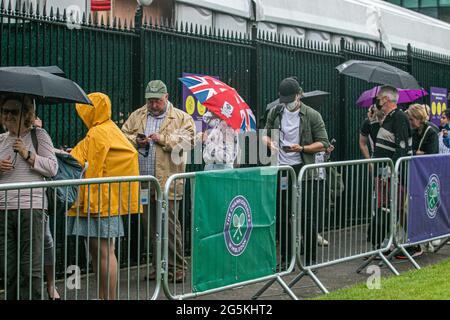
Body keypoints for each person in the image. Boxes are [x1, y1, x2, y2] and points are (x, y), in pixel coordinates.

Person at [67, 92, 140, 300]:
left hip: (100, 201)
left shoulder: (97, 133)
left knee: (104, 251)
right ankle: (104, 296)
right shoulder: (110, 130)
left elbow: (87, 162)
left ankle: (109, 297)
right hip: (108, 199)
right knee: (102, 251)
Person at [122, 80, 195, 282]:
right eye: (150, 101)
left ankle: (177, 267)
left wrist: (161, 139)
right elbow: (122, 135)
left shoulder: (182, 118)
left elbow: (188, 142)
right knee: (151, 228)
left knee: (170, 226)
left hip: (168, 182)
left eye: (157, 101)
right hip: (145, 182)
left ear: (167, 97)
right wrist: (137, 140)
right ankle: (158, 266)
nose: (153, 105)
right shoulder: (137, 115)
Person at [263, 76, 330, 266]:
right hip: (282, 169)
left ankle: (309, 258)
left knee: (306, 215)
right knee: (284, 215)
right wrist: (271, 143)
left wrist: (301, 148)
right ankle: (286, 259)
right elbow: (264, 135)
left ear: (299, 95)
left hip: (303, 171)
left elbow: (323, 143)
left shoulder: (312, 115)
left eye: (291, 100)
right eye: (284, 101)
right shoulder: (275, 112)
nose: (288, 104)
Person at [0, 94, 58, 300]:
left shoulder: (38, 136)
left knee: (29, 266)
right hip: (4, 209)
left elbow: (52, 168)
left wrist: (26, 154)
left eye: (13, 111)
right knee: (8, 266)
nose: (8, 115)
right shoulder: (1, 140)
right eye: (5, 111)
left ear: (26, 114)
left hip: (31, 208)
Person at [370, 86, 412, 253]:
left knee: (394, 208)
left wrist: (391, 170)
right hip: (384, 173)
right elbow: (379, 142)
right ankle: (386, 243)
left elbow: (401, 147)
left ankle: (400, 241)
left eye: (379, 99)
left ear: (386, 100)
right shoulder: (388, 118)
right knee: (386, 207)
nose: (377, 102)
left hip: (394, 174)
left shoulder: (399, 117)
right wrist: (374, 122)